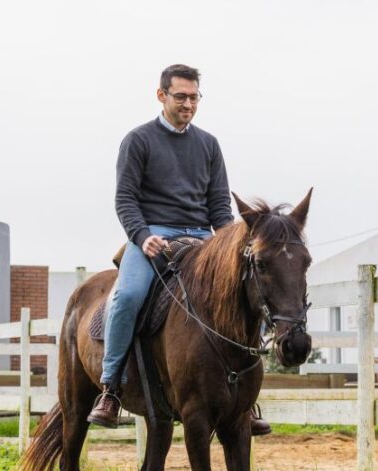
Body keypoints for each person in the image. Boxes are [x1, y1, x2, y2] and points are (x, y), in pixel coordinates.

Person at [87, 64, 271, 435]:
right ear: (162, 96)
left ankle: (245, 397)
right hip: (153, 235)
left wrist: (227, 243)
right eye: (181, 96)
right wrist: (142, 236)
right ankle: (111, 388)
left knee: (252, 287)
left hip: (202, 236)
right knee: (127, 297)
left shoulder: (209, 144)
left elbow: (218, 204)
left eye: (194, 97)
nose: (188, 104)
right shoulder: (138, 140)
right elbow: (125, 199)